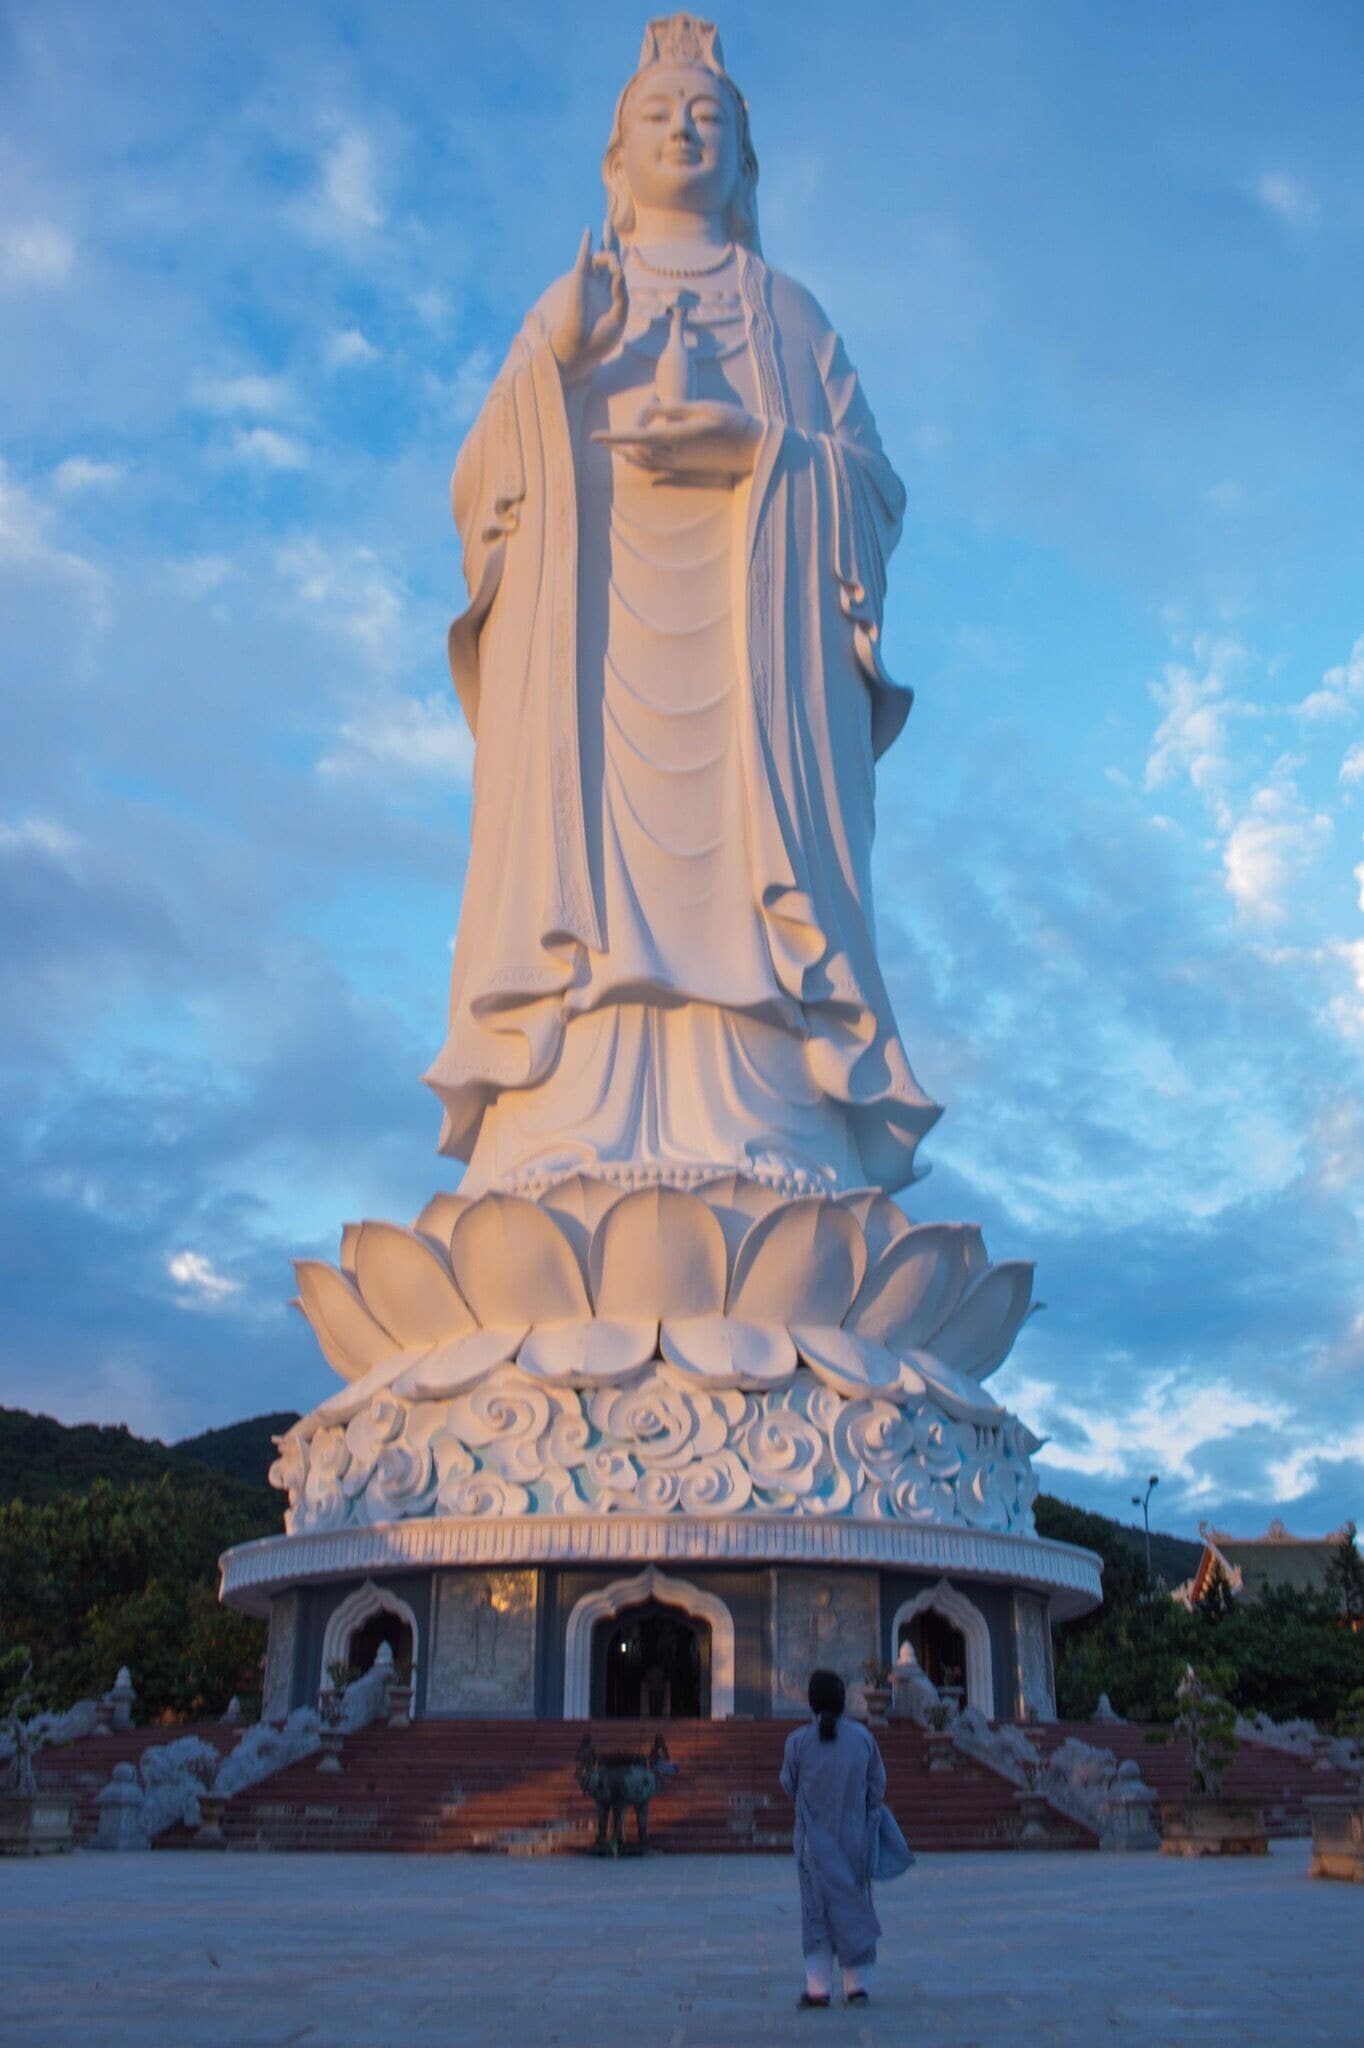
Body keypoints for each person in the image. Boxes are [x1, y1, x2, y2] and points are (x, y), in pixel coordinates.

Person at [779, 1667, 886, 2009]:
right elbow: (877, 1786)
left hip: (814, 1844)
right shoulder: (863, 1739)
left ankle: (818, 1989)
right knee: (853, 1906)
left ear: (811, 1702)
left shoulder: (798, 1742)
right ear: (843, 1701)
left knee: (816, 1914)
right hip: (854, 1839)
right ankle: (857, 1987)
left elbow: (788, 1784)